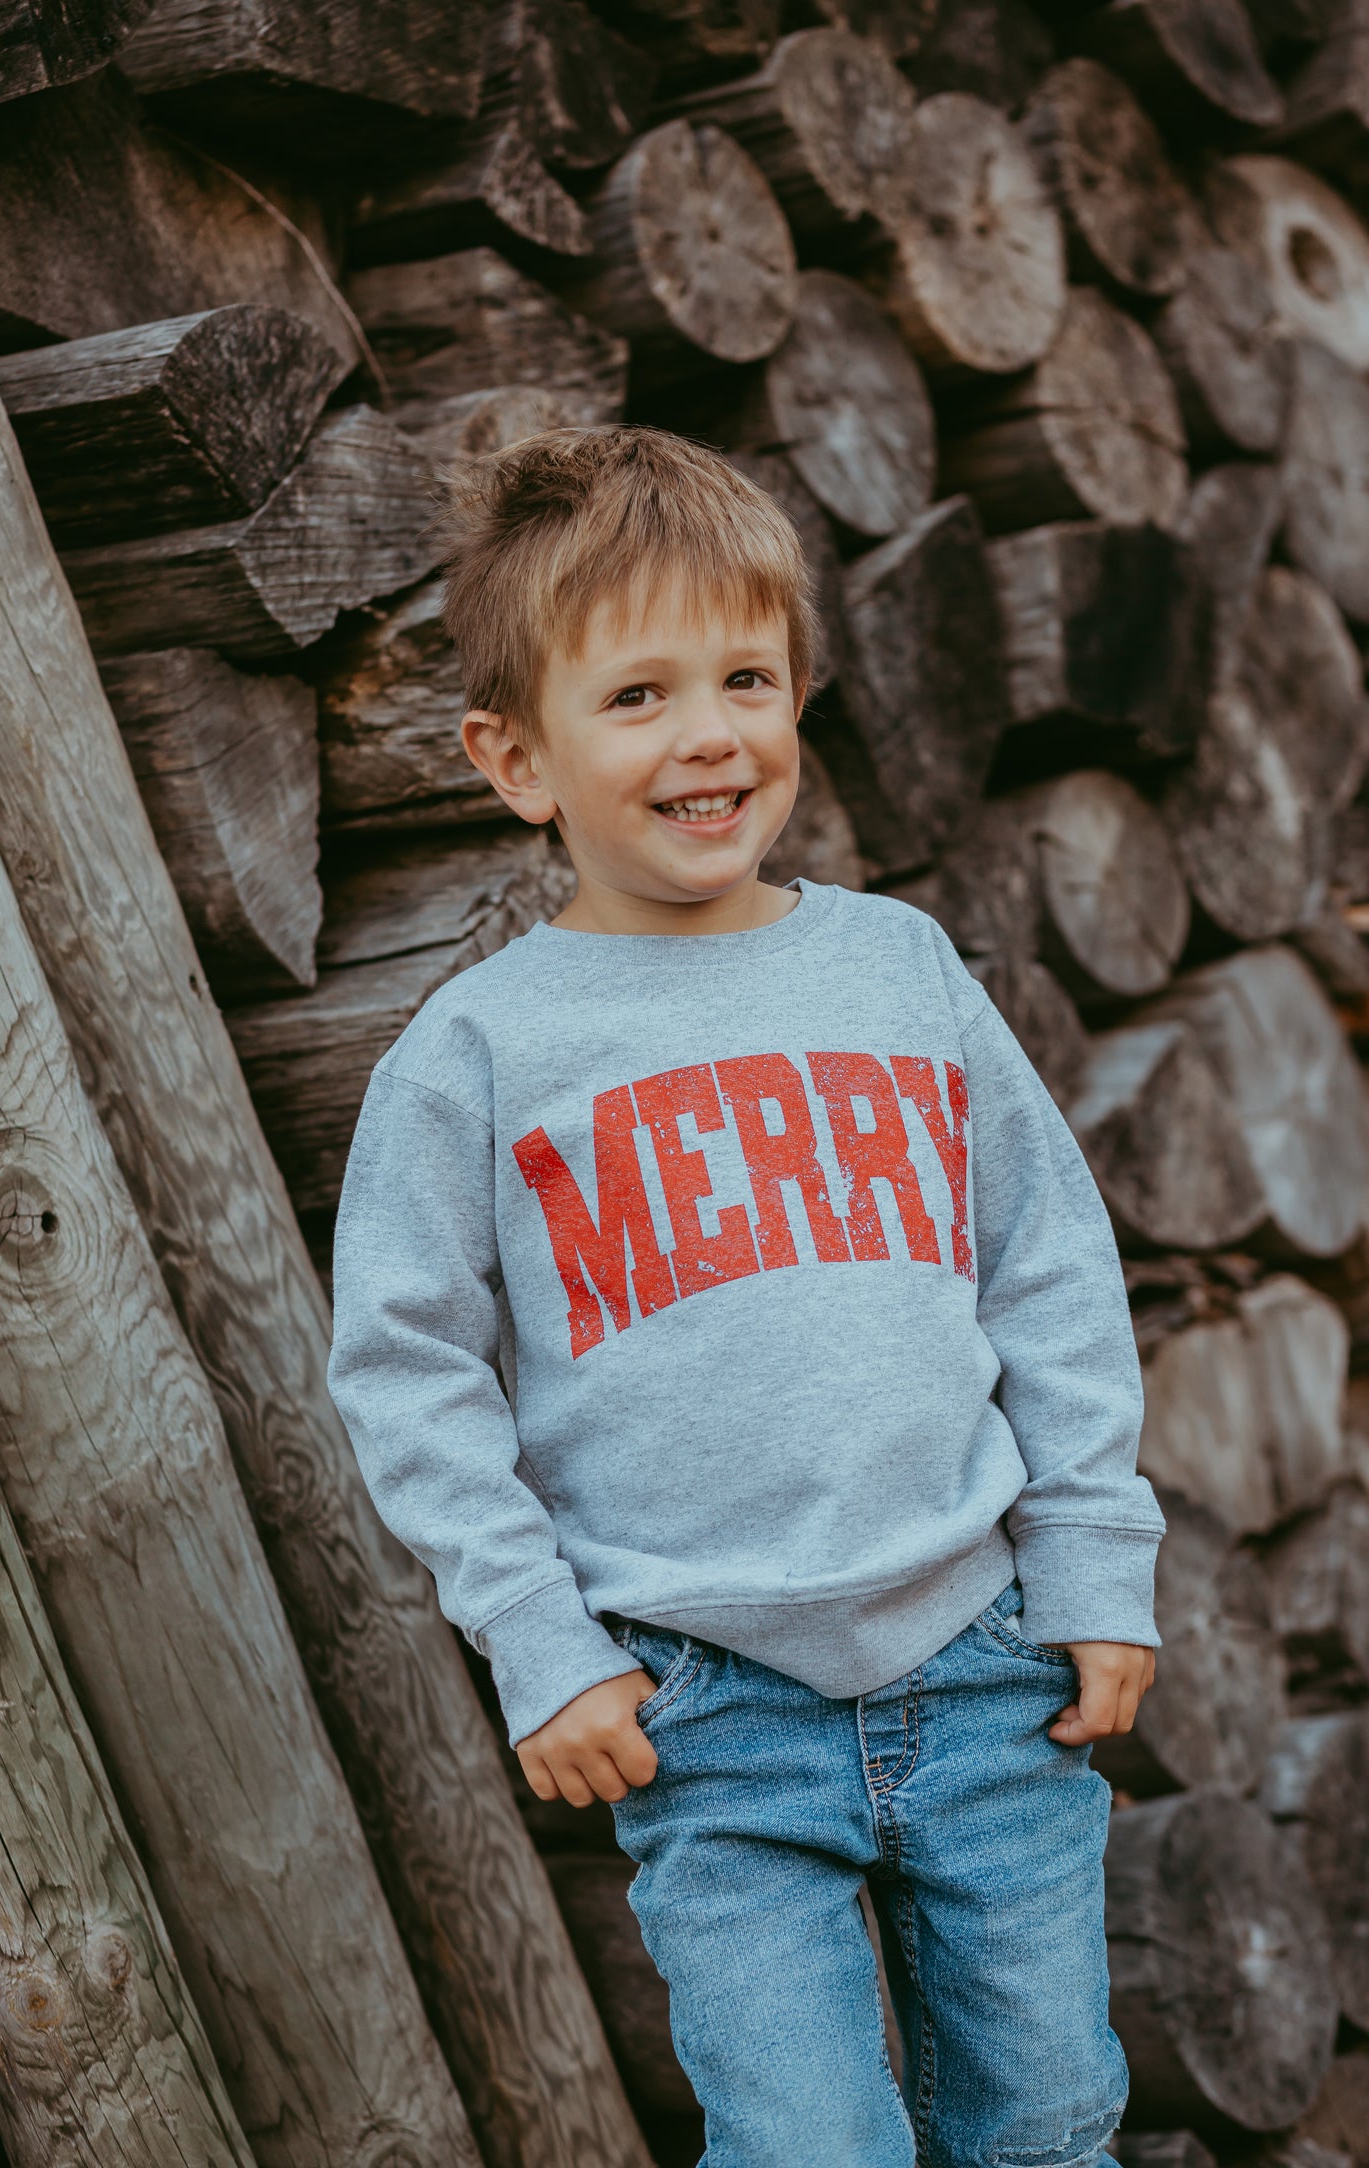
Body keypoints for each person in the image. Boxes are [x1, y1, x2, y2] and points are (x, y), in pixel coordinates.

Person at [328, 425, 1164, 2168]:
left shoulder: (895, 968)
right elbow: (408, 1376)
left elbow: (1047, 1272)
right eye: (635, 697)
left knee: (1050, 2119)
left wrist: (1094, 1556)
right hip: (704, 1707)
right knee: (807, 2147)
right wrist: (541, 1648)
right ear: (514, 759)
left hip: (983, 1653)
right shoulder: (475, 1060)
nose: (709, 733)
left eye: (745, 678)